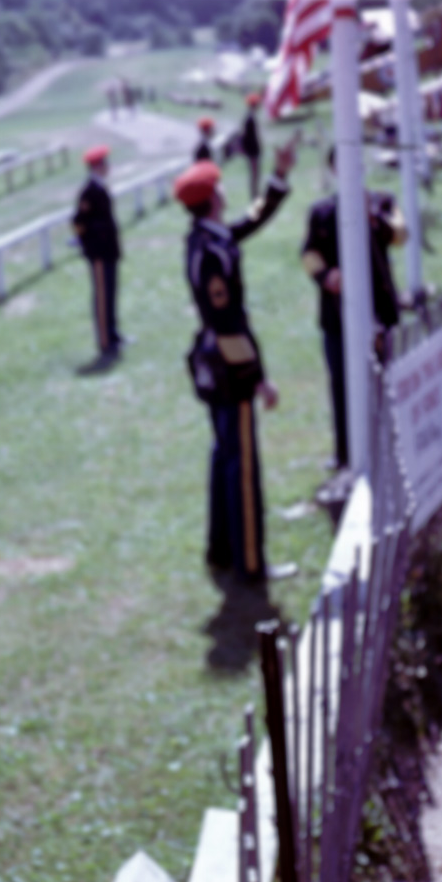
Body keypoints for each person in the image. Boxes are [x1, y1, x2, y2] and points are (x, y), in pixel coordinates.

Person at [175, 149, 299, 604]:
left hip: (216, 366)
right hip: (230, 368)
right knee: (241, 467)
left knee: (224, 456)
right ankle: (249, 561)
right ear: (212, 198)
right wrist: (258, 377)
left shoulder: (208, 238)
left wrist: (278, 179)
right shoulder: (211, 252)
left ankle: (222, 550)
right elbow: (228, 323)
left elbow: (251, 222)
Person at [301, 148, 408, 471]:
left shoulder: (383, 202)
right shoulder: (321, 212)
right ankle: (346, 453)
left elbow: (401, 234)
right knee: (342, 384)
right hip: (337, 317)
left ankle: (392, 447)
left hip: (381, 311)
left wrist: (373, 218)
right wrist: (325, 275)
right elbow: (308, 254)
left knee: (386, 377)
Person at [72, 145, 123, 372]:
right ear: (96, 166)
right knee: (102, 298)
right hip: (100, 254)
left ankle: (113, 333)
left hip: (109, 251)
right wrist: (89, 248)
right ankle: (105, 342)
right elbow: (78, 223)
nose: (108, 166)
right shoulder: (89, 192)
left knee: (112, 294)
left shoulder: (100, 188)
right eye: (104, 163)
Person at [240, 93, 263, 199]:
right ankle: (254, 195)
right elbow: (246, 136)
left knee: (255, 174)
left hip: (253, 150)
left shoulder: (250, 117)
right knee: (254, 174)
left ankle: (255, 193)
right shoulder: (250, 118)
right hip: (252, 151)